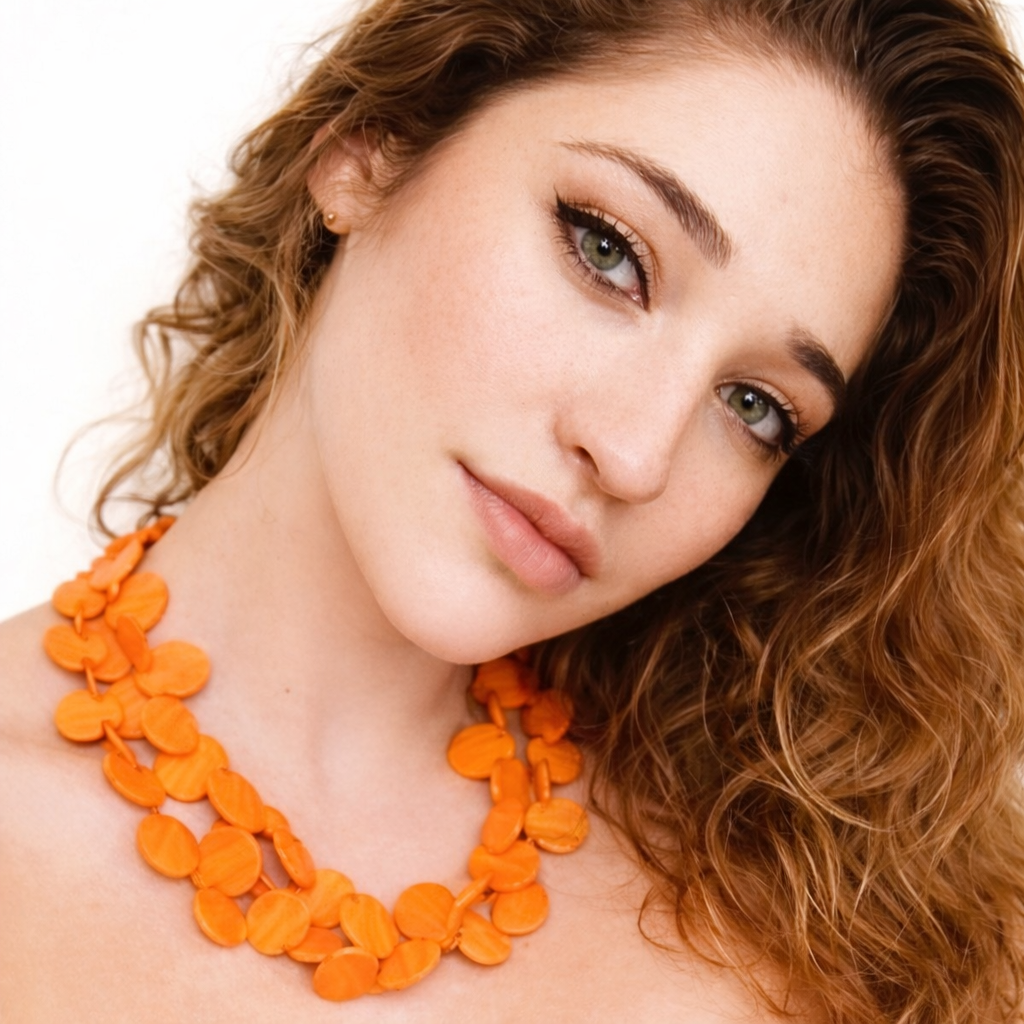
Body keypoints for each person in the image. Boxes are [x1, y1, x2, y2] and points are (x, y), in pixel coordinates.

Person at [2, 0, 1024, 1019]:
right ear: (370, 150)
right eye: (610, 252)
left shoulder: (821, 930)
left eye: (754, 407)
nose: (632, 455)